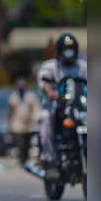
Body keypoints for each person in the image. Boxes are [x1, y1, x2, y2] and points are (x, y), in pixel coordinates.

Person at [37, 33, 87, 178]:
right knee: (46, 118)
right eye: (66, 49)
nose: (68, 52)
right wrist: (52, 93)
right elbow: (45, 84)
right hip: (57, 108)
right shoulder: (51, 66)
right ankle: (50, 160)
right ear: (59, 50)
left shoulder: (83, 67)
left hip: (80, 108)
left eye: (71, 49)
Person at [8, 77, 40, 165]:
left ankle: (25, 159)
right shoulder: (13, 96)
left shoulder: (31, 96)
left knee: (27, 144)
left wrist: (36, 120)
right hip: (17, 125)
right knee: (20, 143)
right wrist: (9, 123)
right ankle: (22, 160)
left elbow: (36, 109)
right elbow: (10, 111)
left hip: (28, 125)